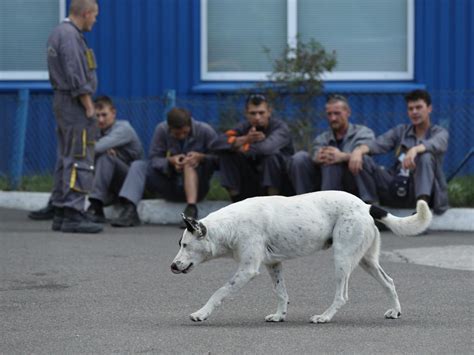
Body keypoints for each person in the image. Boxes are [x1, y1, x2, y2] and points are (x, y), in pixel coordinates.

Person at [47, 0, 102, 233]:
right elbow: (75, 72)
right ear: (86, 13)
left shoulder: (60, 32)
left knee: (66, 156)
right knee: (80, 156)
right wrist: (88, 104)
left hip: (64, 102)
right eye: (95, 16)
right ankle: (73, 213)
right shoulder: (70, 36)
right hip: (75, 104)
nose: (95, 20)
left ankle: (61, 211)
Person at [110, 108, 218, 227]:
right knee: (138, 165)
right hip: (170, 183)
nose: (181, 136)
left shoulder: (205, 131)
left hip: (197, 187)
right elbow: (154, 159)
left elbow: (218, 159)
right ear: (169, 128)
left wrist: (201, 158)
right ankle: (130, 210)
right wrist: (170, 161)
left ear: (190, 124)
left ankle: (191, 211)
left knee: (189, 163)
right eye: (177, 134)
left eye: (185, 133)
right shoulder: (161, 130)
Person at [349, 89, 449, 214]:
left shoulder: (440, 132)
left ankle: (421, 209)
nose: (414, 112)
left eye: (419, 107)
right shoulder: (401, 131)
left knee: (426, 156)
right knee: (363, 159)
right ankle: (372, 211)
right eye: (410, 108)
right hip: (397, 183)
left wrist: (415, 149)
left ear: (429, 108)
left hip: (422, 189)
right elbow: (378, 144)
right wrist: (358, 151)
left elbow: (436, 144)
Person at [211, 94, 294, 202]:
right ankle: (236, 202)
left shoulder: (280, 128)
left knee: (271, 156)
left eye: (261, 113)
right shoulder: (243, 127)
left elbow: (265, 149)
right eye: (253, 113)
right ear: (246, 113)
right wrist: (245, 139)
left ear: (269, 112)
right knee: (226, 155)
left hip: (280, 183)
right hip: (251, 180)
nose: (257, 117)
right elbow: (217, 143)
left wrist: (242, 147)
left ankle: (272, 204)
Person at [288, 94, 375, 195]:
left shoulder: (363, 132)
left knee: (338, 161)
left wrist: (342, 157)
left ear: (348, 112)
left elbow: (368, 153)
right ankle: (303, 201)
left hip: (353, 181)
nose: (333, 118)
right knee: (300, 158)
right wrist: (317, 157)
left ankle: (367, 201)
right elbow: (314, 153)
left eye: (337, 113)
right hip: (325, 181)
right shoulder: (322, 138)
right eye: (329, 114)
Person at [86, 96, 144, 222]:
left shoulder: (123, 128)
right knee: (102, 156)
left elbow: (94, 148)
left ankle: (96, 205)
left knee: (106, 157)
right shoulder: (97, 131)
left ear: (113, 112)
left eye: (104, 115)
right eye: (97, 116)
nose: (100, 120)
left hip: (132, 185)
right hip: (111, 186)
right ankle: (94, 207)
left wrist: (97, 147)